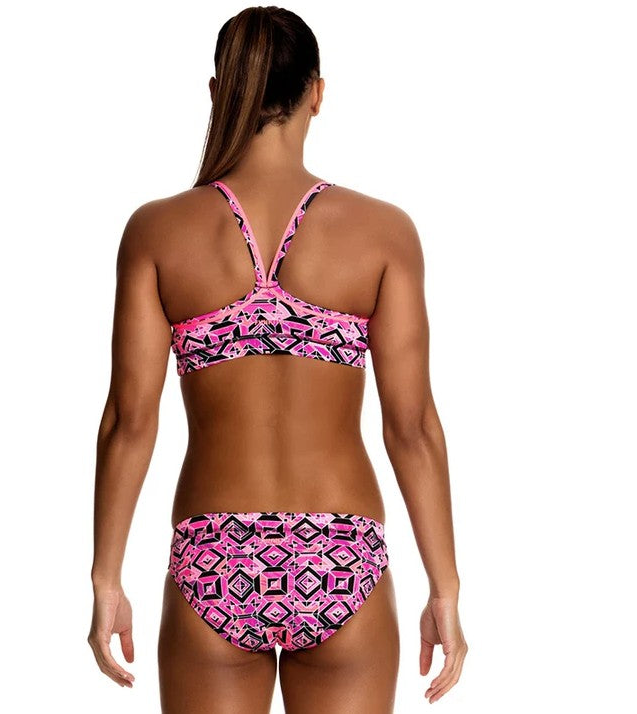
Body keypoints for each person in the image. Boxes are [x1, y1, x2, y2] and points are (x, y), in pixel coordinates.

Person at [87, 6, 467, 713]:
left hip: (213, 557)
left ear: (218, 92)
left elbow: (127, 423)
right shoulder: (383, 233)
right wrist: (444, 589)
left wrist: (105, 579)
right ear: (316, 93)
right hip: (341, 555)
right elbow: (412, 427)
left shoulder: (157, 231)